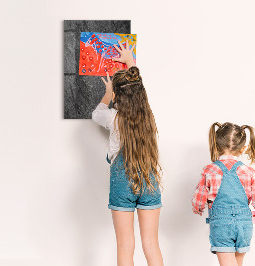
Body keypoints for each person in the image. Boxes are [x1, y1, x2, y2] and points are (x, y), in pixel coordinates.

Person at [92, 40, 164, 266]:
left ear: (117, 96)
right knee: (151, 244)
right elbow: (137, 87)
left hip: (122, 182)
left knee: (125, 245)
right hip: (149, 178)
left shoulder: (113, 117)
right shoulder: (148, 116)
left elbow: (97, 113)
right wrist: (130, 62)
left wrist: (107, 94)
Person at [192, 122, 255, 266]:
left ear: (216, 145)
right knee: (238, 262)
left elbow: (199, 198)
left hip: (221, 224)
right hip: (244, 224)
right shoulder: (248, 172)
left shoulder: (210, 170)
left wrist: (198, 208)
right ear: (243, 149)